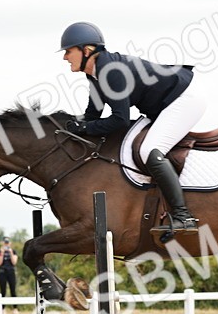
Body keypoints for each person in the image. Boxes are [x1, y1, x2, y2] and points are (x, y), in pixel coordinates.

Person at [58, 21, 203, 231]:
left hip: (185, 98)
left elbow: (120, 120)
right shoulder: (96, 73)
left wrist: (82, 129)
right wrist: (67, 127)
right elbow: (93, 114)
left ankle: (184, 216)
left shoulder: (111, 72)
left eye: (68, 51)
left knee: (149, 150)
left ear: (87, 50)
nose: (65, 57)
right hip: (165, 104)